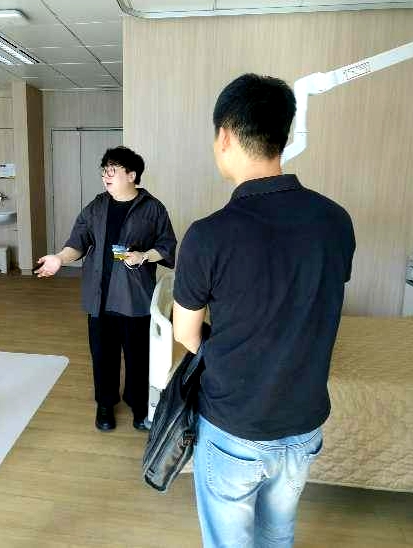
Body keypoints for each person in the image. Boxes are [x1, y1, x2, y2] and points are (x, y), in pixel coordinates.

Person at [172, 74, 356, 547]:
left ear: (225, 136)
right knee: (277, 535)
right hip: (303, 422)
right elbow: (314, 303)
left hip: (235, 424)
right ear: (284, 136)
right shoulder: (335, 220)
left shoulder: (208, 235)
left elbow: (186, 333)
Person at [35, 146, 177, 431]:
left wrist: (144, 256)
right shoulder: (97, 206)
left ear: (132, 175)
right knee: (102, 355)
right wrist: (59, 259)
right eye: (104, 171)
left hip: (134, 298)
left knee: (138, 357)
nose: (105, 176)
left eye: (112, 170)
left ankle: (139, 405)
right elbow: (78, 242)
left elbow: (167, 247)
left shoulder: (153, 208)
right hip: (99, 296)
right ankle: (105, 405)